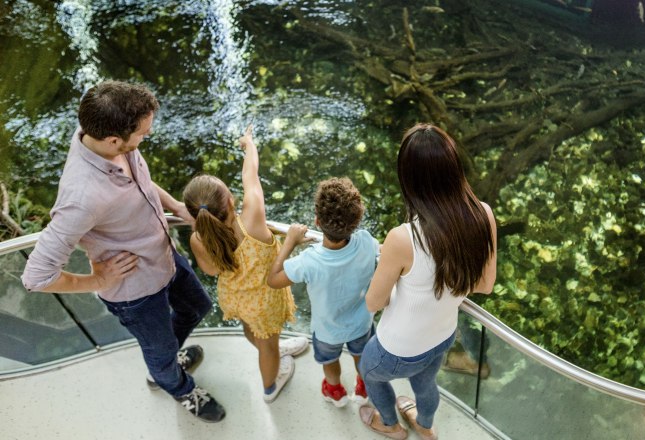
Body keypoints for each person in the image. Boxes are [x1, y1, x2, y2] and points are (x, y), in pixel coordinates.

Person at [21, 80, 226, 422]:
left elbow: (140, 181)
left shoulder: (107, 138)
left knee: (197, 306)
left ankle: (167, 361)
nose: (146, 137)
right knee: (158, 352)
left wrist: (176, 206)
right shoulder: (80, 198)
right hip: (134, 291)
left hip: (162, 255)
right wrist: (99, 279)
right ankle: (177, 386)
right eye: (143, 135)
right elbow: (36, 277)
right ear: (115, 140)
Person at [358, 123, 498, 440]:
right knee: (425, 383)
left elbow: (373, 303)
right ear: (454, 168)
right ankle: (424, 425)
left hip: (396, 349)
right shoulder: (484, 214)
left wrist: (386, 264)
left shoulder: (401, 238)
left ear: (410, 178)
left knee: (369, 373)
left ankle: (390, 424)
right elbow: (485, 285)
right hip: (442, 337)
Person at [182, 124, 307, 404]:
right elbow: (250, 174)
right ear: (230, 200)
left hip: (237, 297)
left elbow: (212, 270)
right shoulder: (251, 218)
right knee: (268, 347)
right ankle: (270, 386)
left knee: (252, 330)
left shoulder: (198, 239)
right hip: (264, 300)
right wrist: (248, 144)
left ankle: (271, 346)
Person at [267, 177, 380, 408]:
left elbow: (273, 280)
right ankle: (363, 385)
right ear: (356, 220)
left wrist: (290, 242)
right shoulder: (367, 242)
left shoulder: (308, 261)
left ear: (317, 221)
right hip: (362, 323)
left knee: (330, 360)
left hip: (327, 330)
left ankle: (335, 391)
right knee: (362, 356)